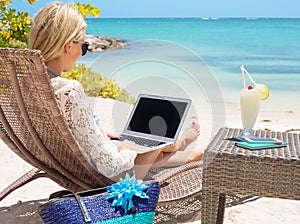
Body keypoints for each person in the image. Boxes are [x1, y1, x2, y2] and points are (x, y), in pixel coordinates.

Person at [28, 1, 203, 180]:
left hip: (69, 167)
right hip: (112, 177)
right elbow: (110, 166)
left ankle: (184, 150)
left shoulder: (28, 86)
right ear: (68, 46)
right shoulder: (68, 90)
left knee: (146, 146)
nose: (82, 53)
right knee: (156, 142)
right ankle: (178, 144)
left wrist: (96, 133)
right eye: (84, 47)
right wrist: (126, 149)